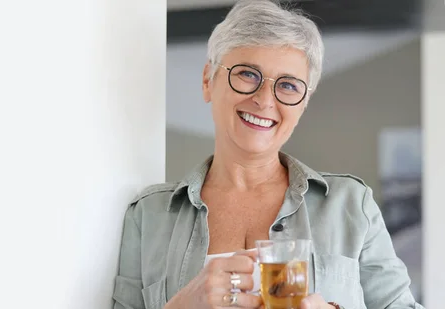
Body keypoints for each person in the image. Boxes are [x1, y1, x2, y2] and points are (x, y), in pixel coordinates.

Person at [112, 0, 425, 308]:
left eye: (288, 85)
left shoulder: (352, 206)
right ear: (209, 80)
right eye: (248, 74)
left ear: (303, 104)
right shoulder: (148, 216)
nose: (264, 100)